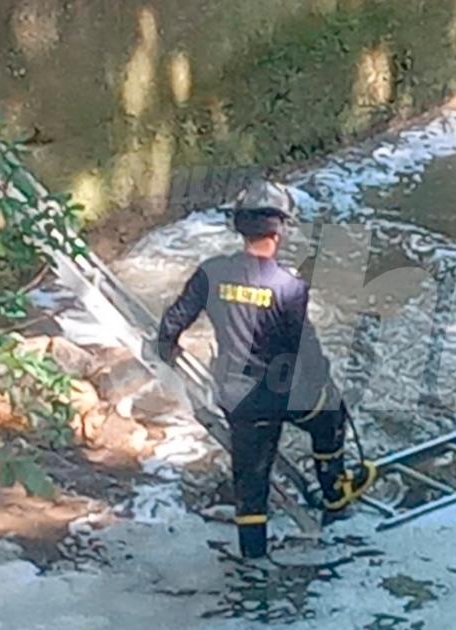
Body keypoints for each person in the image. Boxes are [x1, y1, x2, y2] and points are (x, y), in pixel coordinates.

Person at [154, 186, 376, 560]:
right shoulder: (290, 286)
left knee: (251, 486)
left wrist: (167, 349)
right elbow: (305, 350)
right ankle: (336, 497)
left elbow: (172, 324)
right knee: (330, 416)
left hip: (238, 399)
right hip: (284, 395)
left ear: (240, 227)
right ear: (280, 231)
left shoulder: (211, 272)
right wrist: (324, 383)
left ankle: (253, 561)